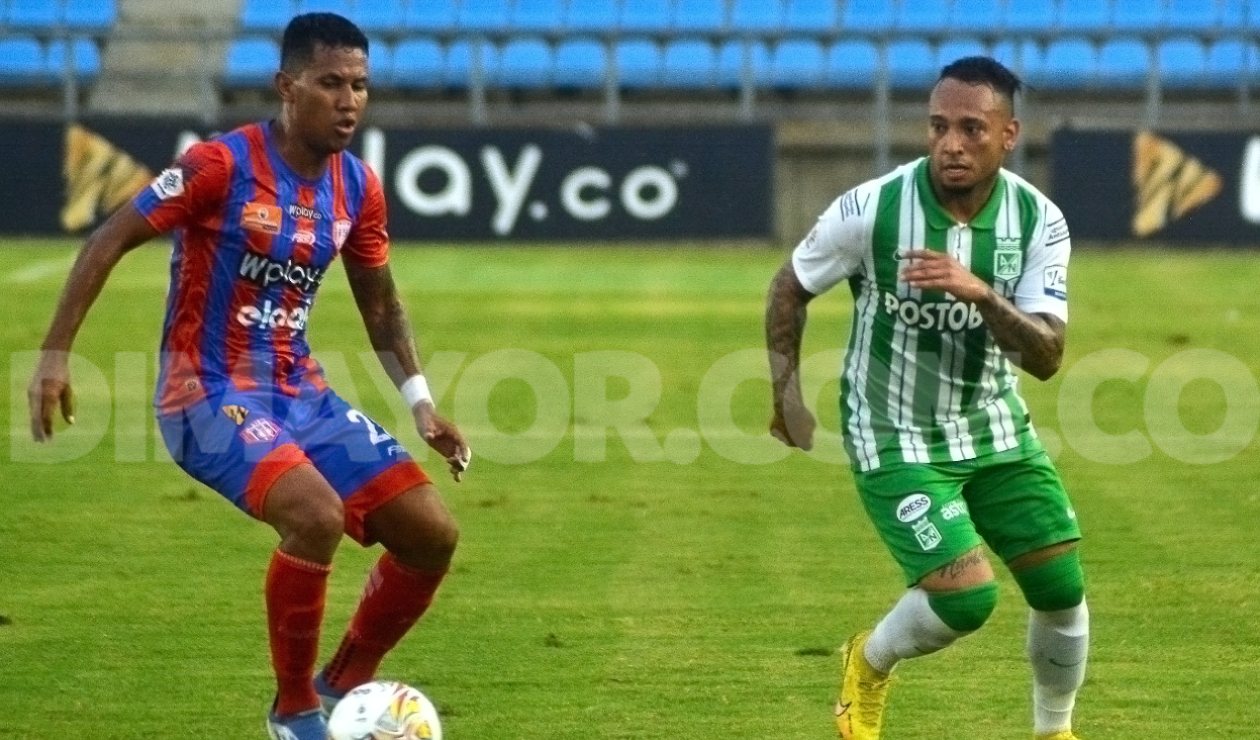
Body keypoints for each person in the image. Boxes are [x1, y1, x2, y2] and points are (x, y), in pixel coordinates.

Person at [27, 13, 471, 740]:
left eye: (360, 85)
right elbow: (110, 238)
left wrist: (421, 404)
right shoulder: (219, 166)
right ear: (287, 86)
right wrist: (54, 353)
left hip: (301, 391)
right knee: (315, 515)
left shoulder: (357, 186)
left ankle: (341, 688)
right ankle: (293, 712)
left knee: (431, 534)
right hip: (202, 392)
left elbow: (380, 302)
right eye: (331, 83)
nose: (350, 100)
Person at [765, 57, 1086, 740]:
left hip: (995, 426)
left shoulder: (1039, 221)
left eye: (973, 128)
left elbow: (1048, 358)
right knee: (967, 597)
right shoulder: (871, 208)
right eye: (939, 126)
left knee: (1062, 594)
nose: (952, 144)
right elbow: (789, 285)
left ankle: (1054, 731)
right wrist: (785, 394)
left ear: (1009, 135)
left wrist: (982, 294)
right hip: (893, 432)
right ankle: (869, 663)